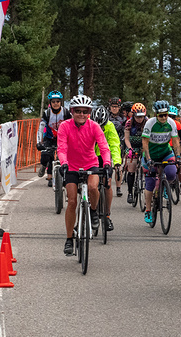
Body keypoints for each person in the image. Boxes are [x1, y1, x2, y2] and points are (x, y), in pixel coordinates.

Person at [57, 95, 112, 255]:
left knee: (94, 187)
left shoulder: (94, 126)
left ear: (89, 112)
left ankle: (94, 211)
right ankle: (69, 239)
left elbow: (104, 147)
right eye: (78, 111)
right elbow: (61, 147)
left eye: (85, 111)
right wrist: (64, 163)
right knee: (72, 202)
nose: (81, 114)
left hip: (90, 164)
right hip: (72, 166)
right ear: (72, 111)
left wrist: (107, 163)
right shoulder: (64, 126)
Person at [141, 100, 180, 224]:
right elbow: (145, 143)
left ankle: (164, 186)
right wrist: (148, 159)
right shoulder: (150, 123)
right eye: (161, 115)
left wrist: (178, 157)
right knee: (150, 184)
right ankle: (148, 210)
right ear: (155, 114)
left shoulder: (171, 123)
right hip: (151, 154)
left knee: (172, 173)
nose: (164, 117)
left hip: (165, 153)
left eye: (166, 115)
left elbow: (175, 141)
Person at [91, 106, 122, 231]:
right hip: (90, 156)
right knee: (90, 184)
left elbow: (114, 144)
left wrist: (117, 163)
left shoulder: (110, 126)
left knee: (107, 184)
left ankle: (107, 215)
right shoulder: (87, 125)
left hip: (104, 155)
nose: (100, 129)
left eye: (102, 126)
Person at [36, 91, 72, 187]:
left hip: (62, 137)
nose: (55, 103)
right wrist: (38, 142)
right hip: (49, 137)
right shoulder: (47, 113)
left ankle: (51, 177)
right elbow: (40, 128)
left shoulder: (65, 112)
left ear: (61, 102)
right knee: (46, 155)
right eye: (53, 102)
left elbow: (72, 125)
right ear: (50, 103)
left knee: (62, 156)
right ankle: (43, 165)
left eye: (57, 101)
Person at [124, 103, 148, 204]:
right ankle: (130, 192)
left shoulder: (147, 122)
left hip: (144, 144)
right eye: (137, 117)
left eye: (141, 117)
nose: (139, 119)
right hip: (132, 145)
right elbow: (126, 139)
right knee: (131, 168)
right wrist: (129, 149)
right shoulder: (129, 122)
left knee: (148, 165)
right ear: (133, 115)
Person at [108, 97, 125, 196]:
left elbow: (124, 132)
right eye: (112, 107)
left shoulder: (123, 119)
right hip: (107, 143)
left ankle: (118, 188)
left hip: (118, 143)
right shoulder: (107, 117)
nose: (114, 109)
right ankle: (108, 184)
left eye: (116, 107)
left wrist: (121, 143)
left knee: (118, 167)